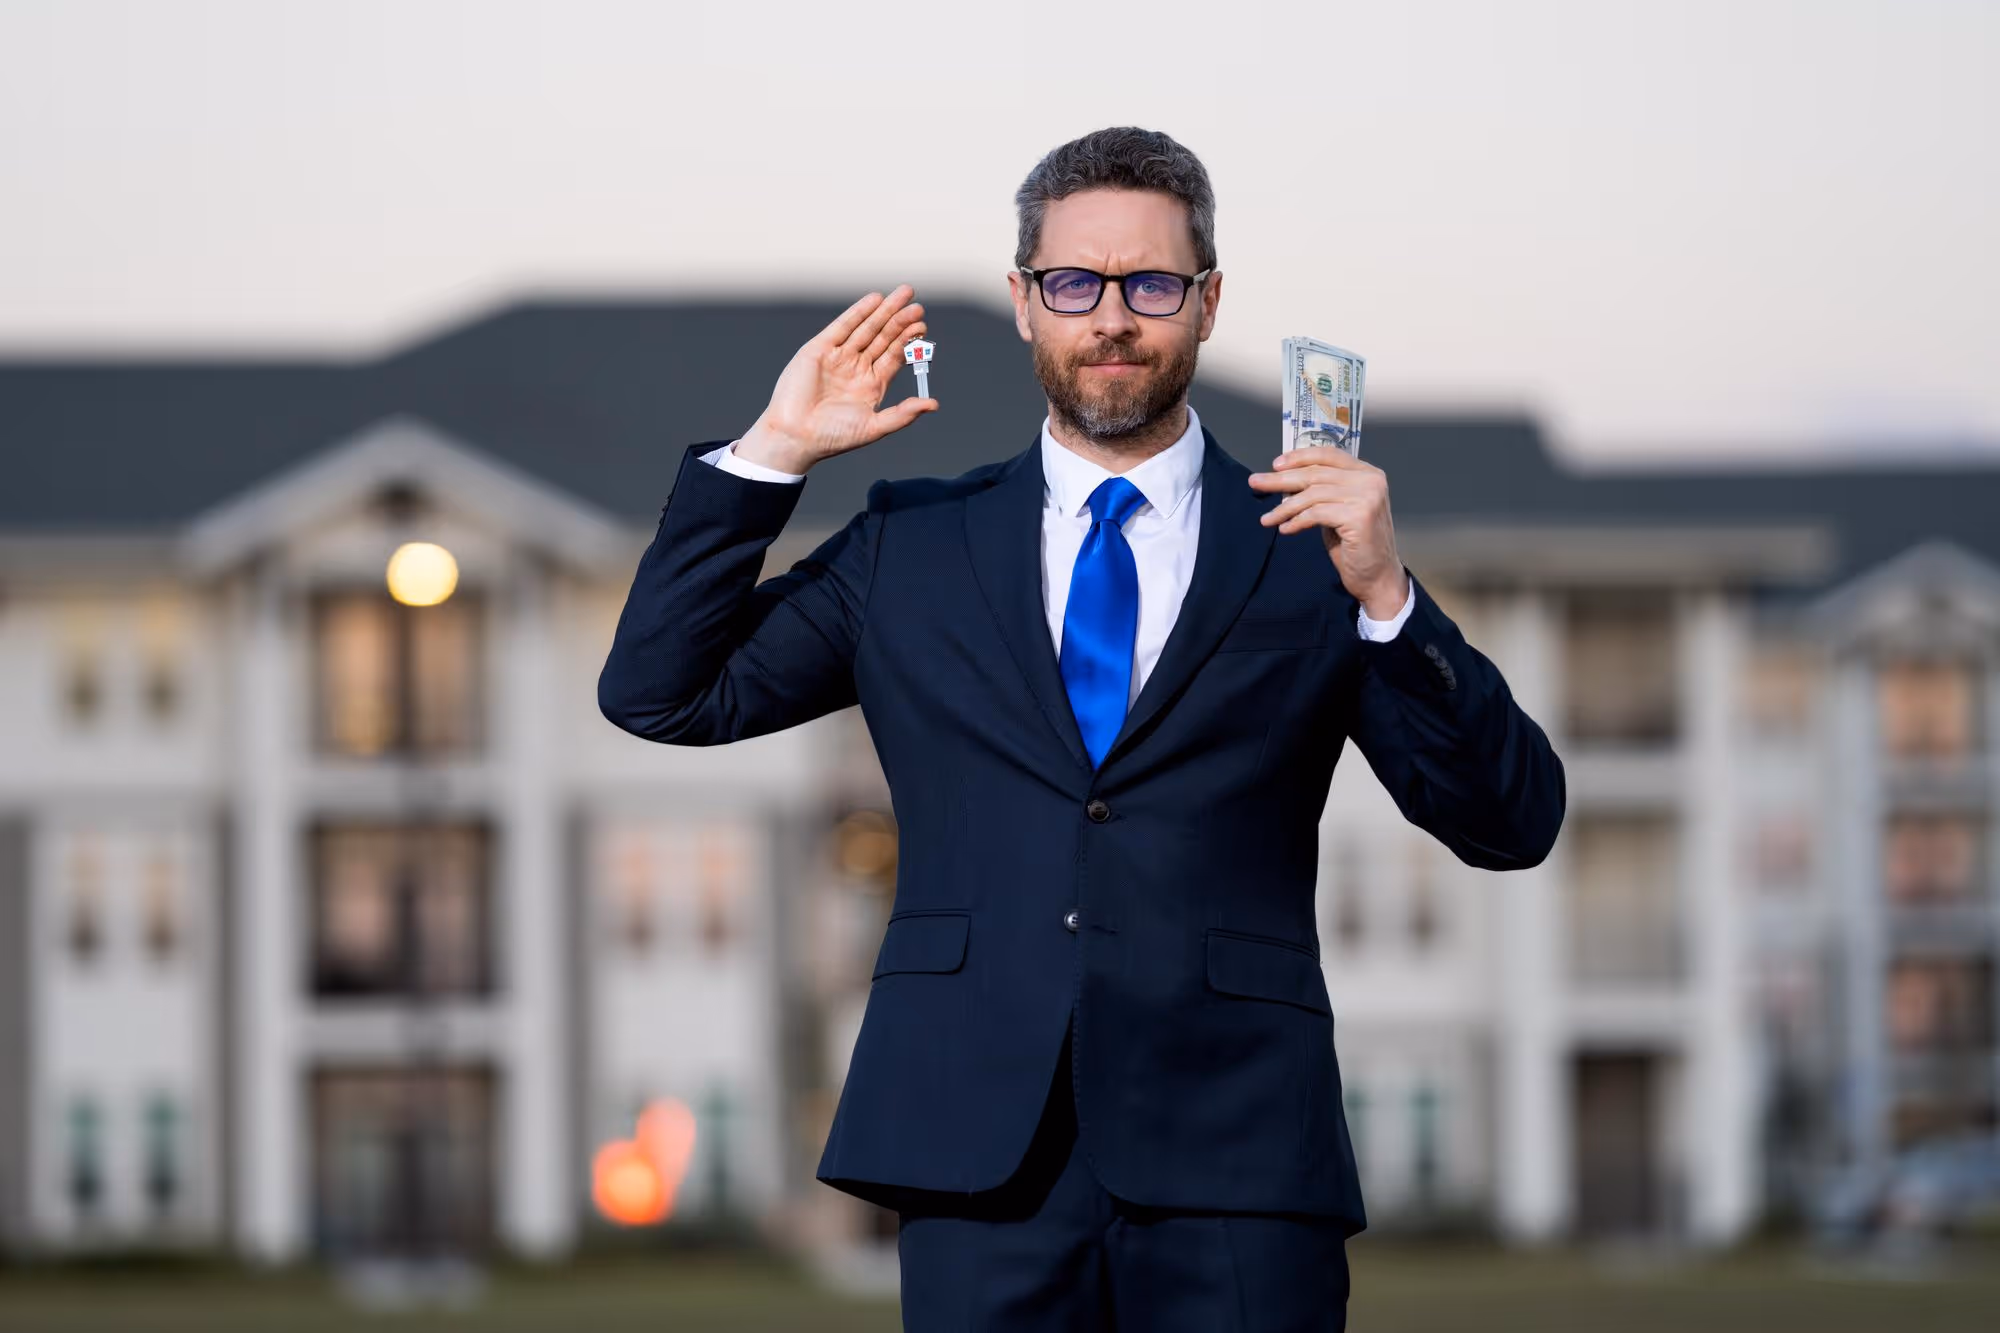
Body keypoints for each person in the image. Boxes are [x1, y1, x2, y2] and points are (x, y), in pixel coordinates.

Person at [597, 125, 1565, 1333]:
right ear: (1021, 302)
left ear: (1207, 304)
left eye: (1150, 284)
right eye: (1073, 283)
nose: (1112, 316)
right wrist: (773, 452)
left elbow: (1510, 821)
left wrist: (1386, 598)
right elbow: (658, 691)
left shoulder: (1312, 551)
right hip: (974, 1148)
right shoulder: (914, 544)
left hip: (1239, 1157)